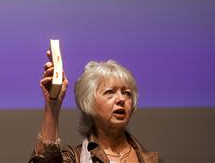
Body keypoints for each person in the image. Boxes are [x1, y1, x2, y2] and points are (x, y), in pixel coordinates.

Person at [29, 51, 160, 163]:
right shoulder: (75, 157)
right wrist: (52, 106)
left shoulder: (151, 160)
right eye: (110, 92)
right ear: (88, 102)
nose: (121, 99)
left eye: (127, 93)